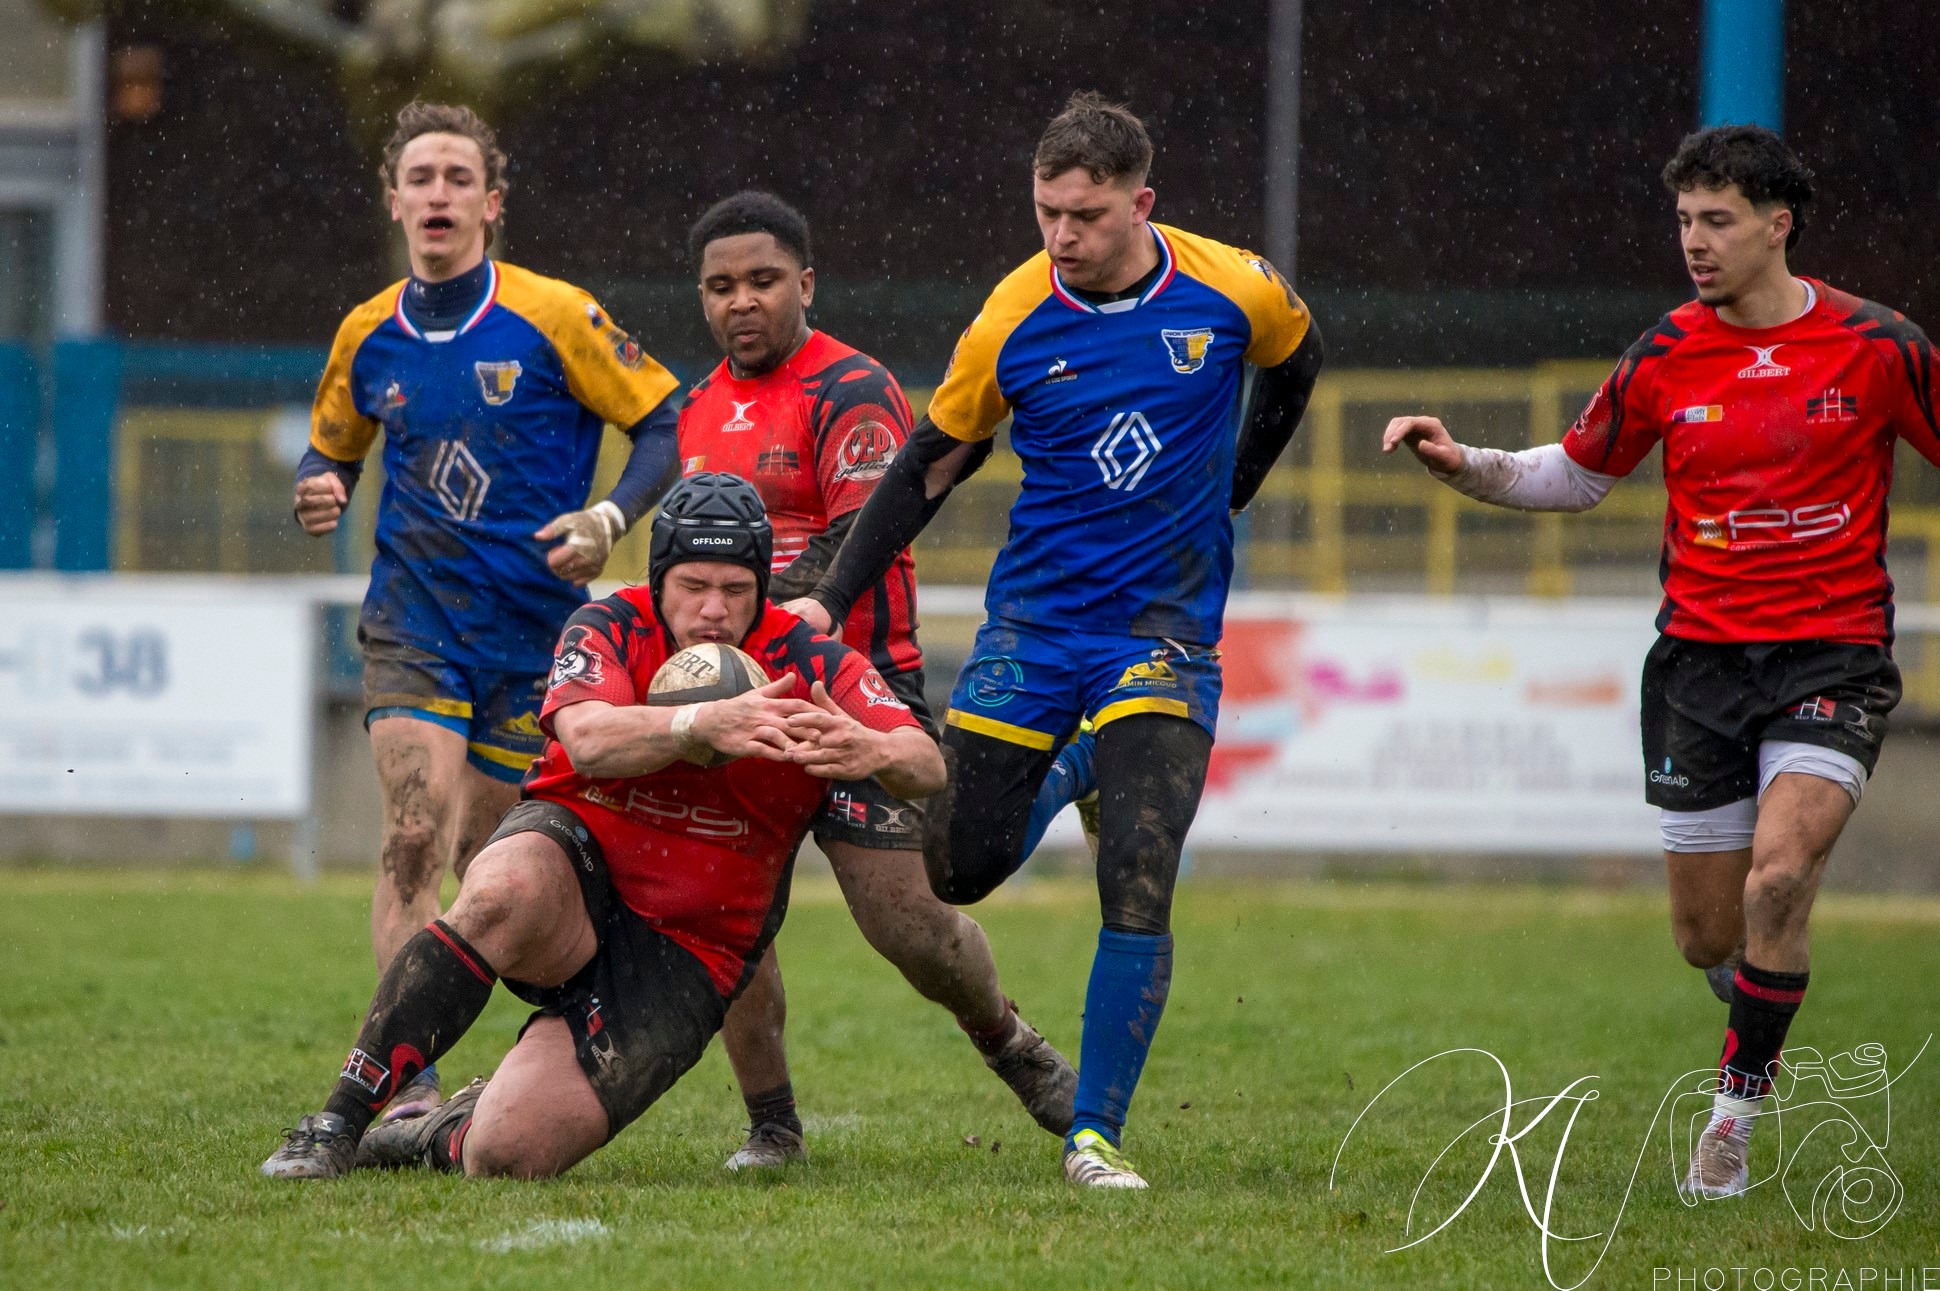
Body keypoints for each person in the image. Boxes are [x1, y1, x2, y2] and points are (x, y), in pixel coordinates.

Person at [1380, 125, 1940, 1199]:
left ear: (1777, 226)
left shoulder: (1878, 347)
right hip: (1697, 668)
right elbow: (1576, 474)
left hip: (1830, 655)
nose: (1693, 241)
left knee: (1780, 874)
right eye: (1683, 220)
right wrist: (1466, 466)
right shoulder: (1663, 352)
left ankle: (1726, 1127)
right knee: (1706, 934)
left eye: (1716, 220)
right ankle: (1759, 999)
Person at [789, 92, 1324, 1188]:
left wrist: (1232, 490)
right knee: (958, 867)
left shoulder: (1232, 287)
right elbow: (930, 460)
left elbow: (1297, 363)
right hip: (1032, 624)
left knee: (1138, 871)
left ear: (1141, 203)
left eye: (1083, 214)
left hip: (1163, 631)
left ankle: (1093, 1135)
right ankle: (1080, 757)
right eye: (1045, 211)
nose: (1060, 236)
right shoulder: (1010, 316)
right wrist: (828, 597)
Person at [259, 473, 944, 1180]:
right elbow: (586, 737)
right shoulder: (612, 624)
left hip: (688, 950)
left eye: (736, 589)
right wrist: (697, 722)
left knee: (506, 1154)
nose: (714, 609)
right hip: (576, 871)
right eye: (693, 584)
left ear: (761, 589)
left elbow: (927, 762)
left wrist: (876, 749)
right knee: (500, 890)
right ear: (659, 577)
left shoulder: (804, 658)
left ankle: (443, 1127)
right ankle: (336, 1121)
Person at [293, 102, 682, 1118]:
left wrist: (607, 517)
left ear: (491, 203)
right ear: (394, 200)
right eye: (419, 177)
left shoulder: (554, 316)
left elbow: (663, 423)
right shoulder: (366, 334)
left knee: (491, 862)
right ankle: (406, 1083)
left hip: (534, 634)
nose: (436, 194)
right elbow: (331, 445)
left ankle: (570, 1027)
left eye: (456, 178)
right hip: (415, 623)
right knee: (412, 835)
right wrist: (320, 483)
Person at [677, 192, 1075, 1169]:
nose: (742, 302)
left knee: (906, 923)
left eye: (763, 281)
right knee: (728, 918)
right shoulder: (694, 409)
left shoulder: (850, 389)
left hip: (856, 693)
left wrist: (752, 630)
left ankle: (1010, 1042)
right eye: (721, 285)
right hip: (741, 705)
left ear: (804, 283)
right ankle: (771, 1125)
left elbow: (852, 550)